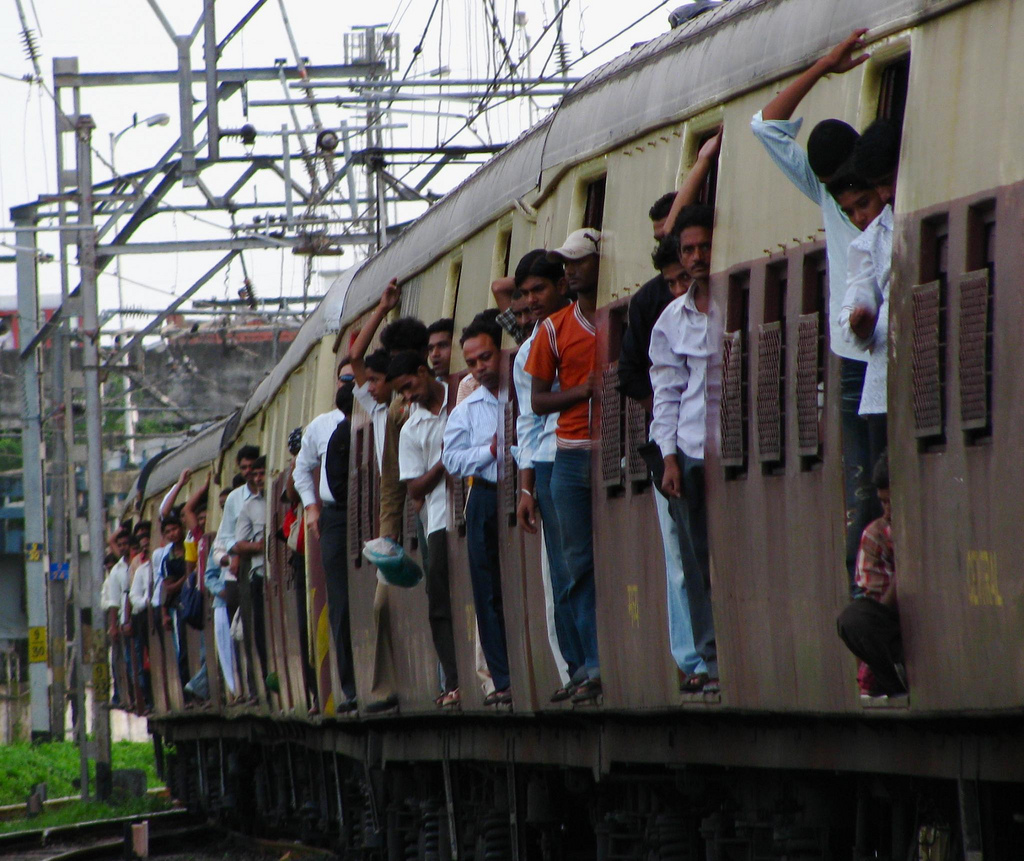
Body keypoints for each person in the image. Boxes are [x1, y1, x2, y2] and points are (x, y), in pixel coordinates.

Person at [750, 28, 877, 592]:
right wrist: (824, 65)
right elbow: (766, 123)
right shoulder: (828, 191)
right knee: (863, 492)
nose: (842, 197)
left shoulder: (873, 191)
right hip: (853, 358)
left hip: (881, 352)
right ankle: (863, 609)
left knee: (875, 489)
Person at [525, 228, 603, 702]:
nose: (572, 271)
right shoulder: (554, 331)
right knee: (574, 564)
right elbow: (536, 402)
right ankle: (590, 663)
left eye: (579, 263)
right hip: (570, 454)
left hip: (609, 449)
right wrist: (583, 392)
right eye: (566, 264)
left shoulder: (616, 315)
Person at [648, 204, 721, 694]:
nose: (696, 257)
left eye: (702, 247)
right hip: (691, 448)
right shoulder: (671, 321)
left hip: (733, 445)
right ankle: (712, 661)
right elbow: (666, 391)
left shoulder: (735, 300)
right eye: (688, 249)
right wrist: (668, 457)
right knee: (696, 562)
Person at [510, 249, 582, 699]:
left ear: (562, 284)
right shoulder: (526, 353)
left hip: (579, 450)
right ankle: (576, 668)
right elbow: (527, 423)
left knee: (576, 566)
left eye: (539, 289)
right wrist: (525, 488)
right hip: (551, 460)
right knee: (561, 569)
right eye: (525, 293)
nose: (533, 300)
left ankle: (585, 665)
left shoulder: (578, 328)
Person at [442, 313, 512, 705]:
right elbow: (451, 459)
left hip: (520, 489)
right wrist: (486, 452)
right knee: (486, 592)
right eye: (471, 363)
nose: (480, 367)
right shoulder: (467, 410)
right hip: (484, 495)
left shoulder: (519, 393)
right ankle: (502, 679)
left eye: (485, 357)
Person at [390, 350, 460, 707]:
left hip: (469, 509)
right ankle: (453, 679)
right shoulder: (410, 429)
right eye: (402, 393)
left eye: (410, 387)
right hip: (437, 520)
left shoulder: (461, 395)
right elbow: (414, 488)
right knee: (440, 601)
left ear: (423, 371)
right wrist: (444, 463)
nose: (408, 397)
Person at [294, 362, 359, 712]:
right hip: (334, 516)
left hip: (370, 512)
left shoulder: (375, 414)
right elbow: (302, 470)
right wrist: (311, 507)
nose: (349, 384)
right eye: (345, 379)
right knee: (340, 600)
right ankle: (349, 687)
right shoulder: (321, 426)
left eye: (355, 378)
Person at [836, 452, 906, 697]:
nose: (887, 512)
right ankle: (896, 681)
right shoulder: (876, 535)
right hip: (900, 635)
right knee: (854, 619)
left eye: (892, 502)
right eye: (883, 502)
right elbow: (879, 610)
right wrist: (903, 574)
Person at [233, 454, 269, 688]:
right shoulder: (249, 507)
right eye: (254, 475)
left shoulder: (278, 498)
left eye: (261, 473)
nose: (258, 478)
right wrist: (258, 546)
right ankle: (265, 675)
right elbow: (238, 543)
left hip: (275, 572)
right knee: (260, 630)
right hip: (258, 573)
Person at [492, 277, 533, 345]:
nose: (524, 321)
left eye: (529, 311)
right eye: (518, 314)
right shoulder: (522, 335)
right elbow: (498, 287)